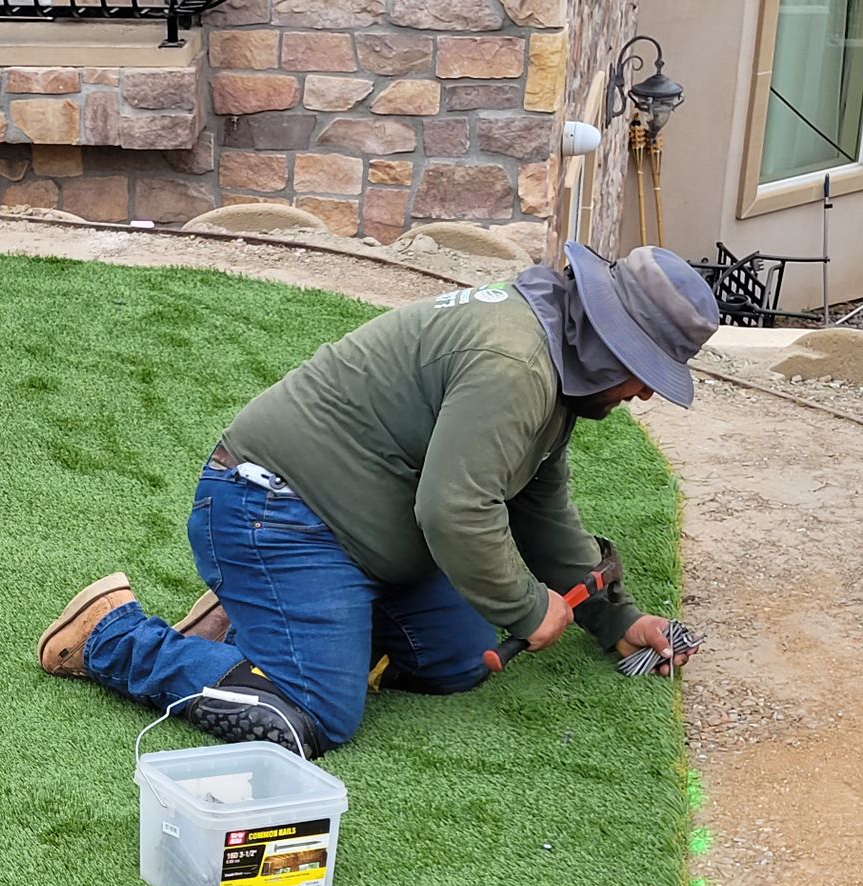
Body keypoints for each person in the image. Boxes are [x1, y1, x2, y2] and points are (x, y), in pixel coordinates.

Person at [37, 243, 720, 757]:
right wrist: (524, 605)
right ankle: (111, 636)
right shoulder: (516, 366)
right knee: (311, 717)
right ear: (611, 344)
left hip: (358, 533)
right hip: (272, 509)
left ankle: (257, 619)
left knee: (457, 662)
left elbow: (538, 507)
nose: (645, 394)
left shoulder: (553, 355)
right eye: (643, 372)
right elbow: (454, 512)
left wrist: (614, 618)